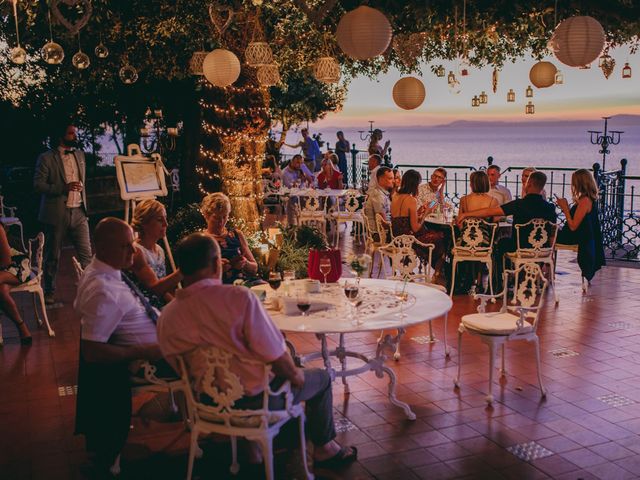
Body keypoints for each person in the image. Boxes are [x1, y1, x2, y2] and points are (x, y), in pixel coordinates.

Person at [157, 233, 358, 470]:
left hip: (206, 405)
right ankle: (325, 450)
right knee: (321, 378)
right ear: (215, 264)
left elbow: (178, 366)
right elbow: (276, 354)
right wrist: (296, 376)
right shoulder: (238, 298)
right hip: (259, 403)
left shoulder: (168, 316)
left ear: (181, 269)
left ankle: (251, 450)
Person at [74, 218, 168, 473]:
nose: (133, 252)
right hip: (157, 357)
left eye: (132, 245)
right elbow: (92, 351)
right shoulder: (102, 290)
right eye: (125, 246)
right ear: (102, 249)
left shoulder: (105, 271)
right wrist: (142, 351)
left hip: (161, 342)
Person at [457, 171, 557, 282]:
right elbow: (552, 232)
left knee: (499, 244)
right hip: (542, 249)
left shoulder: (518, 204)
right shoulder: (550, 207)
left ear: (529, 184)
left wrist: (466, 214)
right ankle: (519, 279)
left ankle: (498, 283)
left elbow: (489, 212)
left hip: (519, 247)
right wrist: (550, 251)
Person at [34, 123, 92, 304]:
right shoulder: (46, 158)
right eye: (70, 133)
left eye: (75, 132)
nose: (75, 136)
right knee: (53, 256)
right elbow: (38, 185)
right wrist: (63, 188)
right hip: (57, 213)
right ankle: (49, 291)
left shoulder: (80, 155)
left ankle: (91, 290)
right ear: (61, 136)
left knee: (87, 255)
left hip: (79, 212)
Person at [391, 169, 446, 280]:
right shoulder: (411, 200)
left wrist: (419, 213)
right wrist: (425, 214)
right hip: (409, 238)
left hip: (396, 236)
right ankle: (439, 272)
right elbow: (415, 229)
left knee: (435, 235)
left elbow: (403, 217)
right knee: (442, 237)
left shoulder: (395, 196)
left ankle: (438, 271)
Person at [129, 199, 183, 308]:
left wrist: (177, 305)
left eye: (165, 218)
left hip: (159, 306)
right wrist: (184, 270)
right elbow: (154, 288)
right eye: (159, 220)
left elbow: (163, 290)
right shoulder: (137, 252)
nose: (166, 224)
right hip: (144, 309)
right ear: (144, 223)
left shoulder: (159, 250)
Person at [201, 192, 261, 285]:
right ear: (206, 215)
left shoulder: (236, 234)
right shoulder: (202, 240)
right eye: (216, 218)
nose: (221, 222)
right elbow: (196, 278)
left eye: (224, 217)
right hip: (221, 287)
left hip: (245, 282)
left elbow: (254, 268)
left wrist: (245, 263)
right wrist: (217, 269)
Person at [555, 169, 605, 281]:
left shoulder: (585, 201)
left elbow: (573, 226)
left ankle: (544, 269)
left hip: (576, 237)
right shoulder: (587, 199)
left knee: (544, 237)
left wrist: (565, 209)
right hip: (578, 234)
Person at [0, 224, 32, 345]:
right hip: (3, 269)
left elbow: (6, 261)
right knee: (1, 291)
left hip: (15, 265)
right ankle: (22, 328)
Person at [364, 166, 394, 242]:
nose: (393, 181)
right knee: (409, 236)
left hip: (383, 231)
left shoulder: (383, 193)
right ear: (381, 179)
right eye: (390, 178)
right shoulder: (378, 195)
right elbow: (382, 222)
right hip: (379, 234)